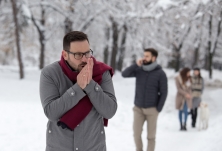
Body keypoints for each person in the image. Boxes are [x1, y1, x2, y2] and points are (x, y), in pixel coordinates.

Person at [39, 31, 117, 151]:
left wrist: (90, 84)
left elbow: (109, 111)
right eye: (78, 55)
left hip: (93, 147)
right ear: (65, 55)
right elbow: (51, 113)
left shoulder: (101, 72)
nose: (85, 59)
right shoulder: (50, 74)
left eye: (87, 53)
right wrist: (77, 88)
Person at [122, 48, 168, 151]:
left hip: (152, 110)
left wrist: (158, 109)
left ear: (154, 57)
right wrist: (136, 65)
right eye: (144, 56)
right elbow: (124, 74)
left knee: (151, 137)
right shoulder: (139, 70)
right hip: (138, 108)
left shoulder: (160, 73)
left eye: (147, 56)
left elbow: (164, 92)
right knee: (136, 134)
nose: (144, 58)